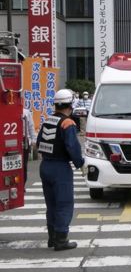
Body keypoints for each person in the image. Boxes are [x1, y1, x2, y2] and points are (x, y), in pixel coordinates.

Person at [36, 89, 85, 251]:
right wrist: (80, 163)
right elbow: (72, 147)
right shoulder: (67, 123)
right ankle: (61, 239)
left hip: (46, 166)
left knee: (51, 204)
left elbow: (38, 143)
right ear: (70, 105)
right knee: (64, 203)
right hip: (60, 168)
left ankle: (52, 237)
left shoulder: (48, 120)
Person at [22, 106, 37, 184]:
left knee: (24, 165)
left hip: (24, 141)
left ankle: (22, 185)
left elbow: (31, 126)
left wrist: (33, 140)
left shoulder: (26, 112)